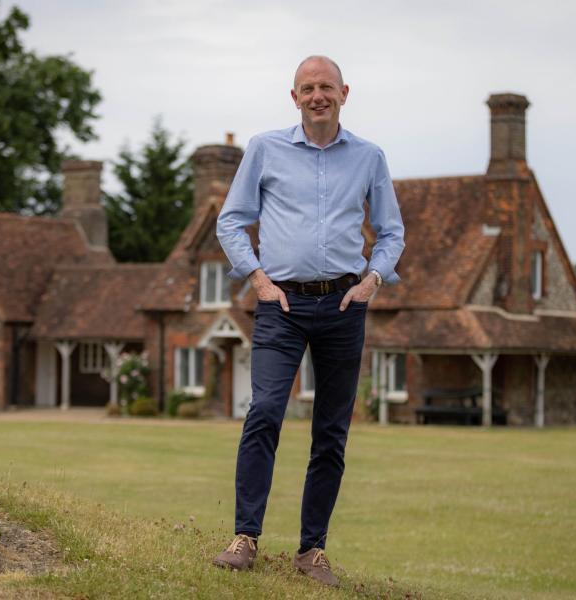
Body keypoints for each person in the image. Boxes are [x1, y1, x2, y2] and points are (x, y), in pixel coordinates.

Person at [212, 55, 405, 587]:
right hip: (281, 307)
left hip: (344, 306)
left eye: (326, 87)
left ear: (345, 92)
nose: (317, 95)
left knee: (331, 434)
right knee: (266, 411)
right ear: (293, 97)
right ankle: (244, 537)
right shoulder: (265, 149)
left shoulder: (369, 158)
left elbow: (391, 231)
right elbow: (231, 220)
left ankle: (311, 551)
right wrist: (257, 280)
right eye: (307, 88)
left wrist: (373, 280)